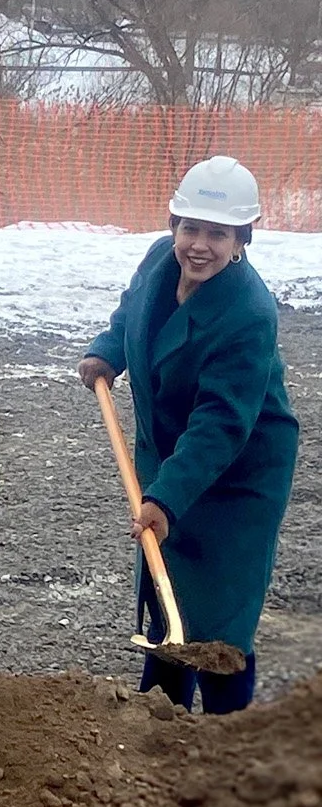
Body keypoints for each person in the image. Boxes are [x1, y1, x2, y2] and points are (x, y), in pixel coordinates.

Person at [79, 155, 299, 714]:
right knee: (166, 584)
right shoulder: (159, 261)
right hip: (170, 449)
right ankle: (160, 721)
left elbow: (221, 424)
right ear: (174, 225)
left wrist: (166, 497)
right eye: (191, 228)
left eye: (218, 234)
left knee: (220, 618)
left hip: (237, 468)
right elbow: (132, 315)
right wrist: (108, 351)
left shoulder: (248, 312)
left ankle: (228, 737)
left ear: (241, 240)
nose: (200, 245)